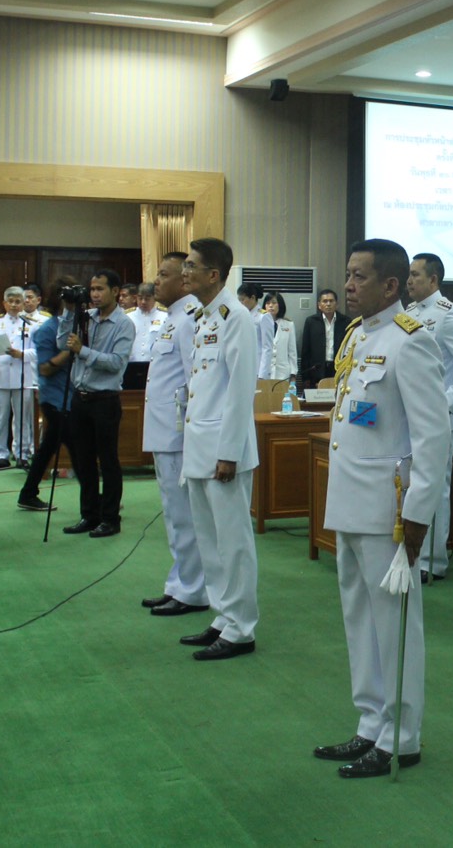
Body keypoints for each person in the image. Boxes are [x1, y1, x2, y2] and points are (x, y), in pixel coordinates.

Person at [313, 238, 447, 778]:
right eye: (347, 275)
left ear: (390, 285)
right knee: (358, 618)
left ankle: (401, 736)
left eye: (359, 277)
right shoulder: (357, 335)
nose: (348, 285)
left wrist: (418, 514)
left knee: (393, 625)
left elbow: (433, 434)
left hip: (390, 508)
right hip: (351, 499)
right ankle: (370, 723)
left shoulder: (409, 342)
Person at [175, 239, 261, 657]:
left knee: (233, 542)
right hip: (200, 446)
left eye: (191, 266)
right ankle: (222, 616)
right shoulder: (205, 317)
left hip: (224, 451)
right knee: (209, 541)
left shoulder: (236, 318)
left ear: (214, 274)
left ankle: (241, 628)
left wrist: (228, 452)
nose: (184, 272)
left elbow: (241, 390)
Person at [404, 252, 453, 581]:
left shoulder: (448, 314)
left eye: (415, 275)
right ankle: (410, 554)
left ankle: (431, 562)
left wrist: (445, 405)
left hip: (436, 420)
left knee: (434, 488)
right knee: (410, 487)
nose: (409, 281)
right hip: (409, 416)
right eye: (408, 275)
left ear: (433, 280)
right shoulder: (408, 313)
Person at [140, 254, 209, 617]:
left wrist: (190, 437)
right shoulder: (173, 319)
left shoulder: (190, 321)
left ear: (184, 280)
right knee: (174, 515)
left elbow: (192, 382)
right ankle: (179, 583)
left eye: (163, 275)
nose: (156, 281)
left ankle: (194, 590)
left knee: (185, 516)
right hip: (163, 432)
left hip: (178, 435)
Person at [60, 271, 134, 537]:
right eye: (92, 289)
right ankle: (88, 516)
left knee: (108, 461)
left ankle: (110, 518)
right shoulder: (85, 318)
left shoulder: (124, 324)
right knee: (84, 461)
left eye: (100, 289)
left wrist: (83, 351)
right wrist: (69, 313)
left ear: (116, 291)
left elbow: (115, 362)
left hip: (105, 401)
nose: (94, 294)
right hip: (80, 398)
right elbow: (62, 344)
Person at [15, 278, 76, 513]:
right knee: (76, 448)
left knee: (49, 446)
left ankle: (28, 492)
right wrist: (69, 352)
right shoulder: (47, 330)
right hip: (55, 397)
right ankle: (94, 498)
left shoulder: (76, 324)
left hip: (71, 395)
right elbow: (44, 368)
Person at [0, 286, 37, 467]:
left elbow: (37, 351)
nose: (14, 305)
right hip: (1, 376)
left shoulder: (31, 324)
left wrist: (21, 354)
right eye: (11, 301)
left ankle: (21, 453)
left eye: (18, 301)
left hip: (22, 377)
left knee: (22, 419)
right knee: (0, 418)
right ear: (4, 303)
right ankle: (1, 454)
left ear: (24, 303)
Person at [299, 288, 350, 389]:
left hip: (338, 368)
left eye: (331, 301)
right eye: (325, 301)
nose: (328, 304)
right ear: (319, 305)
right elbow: (306, 350)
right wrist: (305, 377)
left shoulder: (346, 322)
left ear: (337, 304)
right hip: (317, 369)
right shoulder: (311, 322)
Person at [236, 281, 274, 378]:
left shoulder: (263, 316)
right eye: (238, 300)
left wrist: (262, 375)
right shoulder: (242, 316)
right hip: (243, 368)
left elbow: (267, 348)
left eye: (242, 300)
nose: (240, 303)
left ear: (252, 298)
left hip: (257, 370)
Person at [126, 282, 165, 371]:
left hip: (155, 366)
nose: (143, 302)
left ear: (154, 298)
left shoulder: (164, 316)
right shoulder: (128, 316)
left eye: (147, 298)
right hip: (131, 365)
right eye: (140, 298)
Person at [263, 291, 299, 383]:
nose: (271, 306)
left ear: (280, 305)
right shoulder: (259, 324)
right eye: (268, 303)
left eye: (274, 303)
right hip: (264, 373)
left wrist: (293, 374)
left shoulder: (288, 325)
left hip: (283, 374)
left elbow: (292, 352)